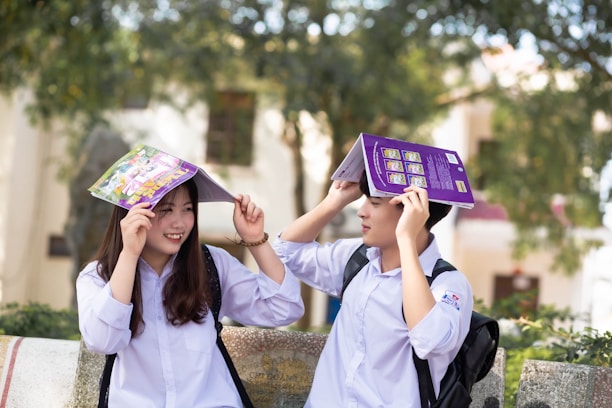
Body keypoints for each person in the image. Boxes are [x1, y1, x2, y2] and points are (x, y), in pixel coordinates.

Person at [77, 177, 304, 407]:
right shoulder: (98, 277)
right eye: (166, 210)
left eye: (187, 209)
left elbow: (284, 308)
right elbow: (102, 341)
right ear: (135, 213)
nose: (180, 223)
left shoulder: (211, 264)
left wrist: (256, 240)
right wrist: (129, 255)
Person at [273, 170, 473, 407]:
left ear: (411, 213)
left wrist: (407, 239)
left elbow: (429, 342)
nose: (361, 211)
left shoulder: (446, 284)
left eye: (375, 203)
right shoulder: (357, 259)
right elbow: (286, 252)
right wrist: (334, 202)